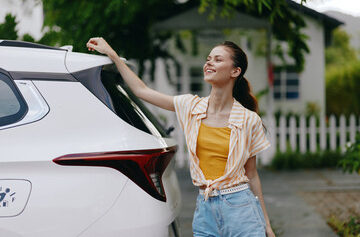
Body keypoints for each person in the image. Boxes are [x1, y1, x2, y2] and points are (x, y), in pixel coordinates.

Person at [86, 37, 275, 237]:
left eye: (218, 60)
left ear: (235, 71)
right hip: (205, 208)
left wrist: (267, 224)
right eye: (208, 58)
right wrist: (113, 55)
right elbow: (142, 91)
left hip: (240, 207)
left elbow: (252, 174)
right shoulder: (191, 107)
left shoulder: (248, 120)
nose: (209, 62)